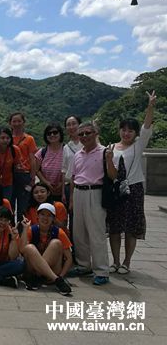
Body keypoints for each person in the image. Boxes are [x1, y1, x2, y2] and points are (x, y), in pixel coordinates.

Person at [107, 90, 156, 275]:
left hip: (134, 189)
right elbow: (110, 172)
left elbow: (147, 127)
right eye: (124, 129)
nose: (126, 133)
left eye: (130, 130)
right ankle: (115, 261)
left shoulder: (138, 145)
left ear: (135, 133)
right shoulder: (112, 147)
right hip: (116, 190)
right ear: (119, 130)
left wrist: (150, 106)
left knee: (130, 227)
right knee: (114, 227)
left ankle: (127, 262)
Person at [69, 121, 116, 285]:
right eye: (81, 134)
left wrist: (109, 160)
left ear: (96, 133)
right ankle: (84, 265)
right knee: (79, 233)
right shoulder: (77, 154)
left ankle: (101, 270)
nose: (84, 136)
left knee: (96, 233)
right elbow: (73, 177)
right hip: (78, 192)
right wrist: (71, 199)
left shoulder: (105, 152)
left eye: (88, 133)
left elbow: (113, 175)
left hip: (95, 192)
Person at [19, 203, 73, 295]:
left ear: (53, 219)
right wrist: (25, 229)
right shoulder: (31, 230)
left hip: (52, 270)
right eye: (42, 214)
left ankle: (46, 277)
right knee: (29, 248)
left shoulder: (59, 232)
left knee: (56, 243)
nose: (45, 218)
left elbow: (69, 258)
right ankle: (57, 280)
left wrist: (61, 275)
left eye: (49, 215)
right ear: (37, 216)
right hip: (34, 270)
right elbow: (22, 250)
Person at [9, 112, 38, 222]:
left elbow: (32, 159)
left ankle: (23, 230)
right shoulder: (7, 138)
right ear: (10, 123)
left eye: (19, 121)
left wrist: (32, 177)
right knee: (9, 205)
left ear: (23, 122)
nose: (17, 124)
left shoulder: (29, 139)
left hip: (25, 175)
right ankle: (10, 229)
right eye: (14, 121)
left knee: (23, 206)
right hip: (10, 175)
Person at [61, 115, 83, 234]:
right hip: (68, 186)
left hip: (82, 185)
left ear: (80, 125)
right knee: (69, 217)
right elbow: (64, 170)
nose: (71, 127)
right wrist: (63, 192)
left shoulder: (86, 143)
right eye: (68, 125)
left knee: (80, 218)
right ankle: (71, 243)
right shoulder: (66, 147)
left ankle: (80, 244)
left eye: (74, 123)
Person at [34, 123, 64, 202]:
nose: (52, 135)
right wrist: (46, 183)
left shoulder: (67, 150)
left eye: (55, 132)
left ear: (60, 134)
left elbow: (71, 169)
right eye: (49, 133)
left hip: (64, 190)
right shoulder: (42, 152)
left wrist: (62, 183)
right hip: (46, 191)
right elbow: (37, 170)